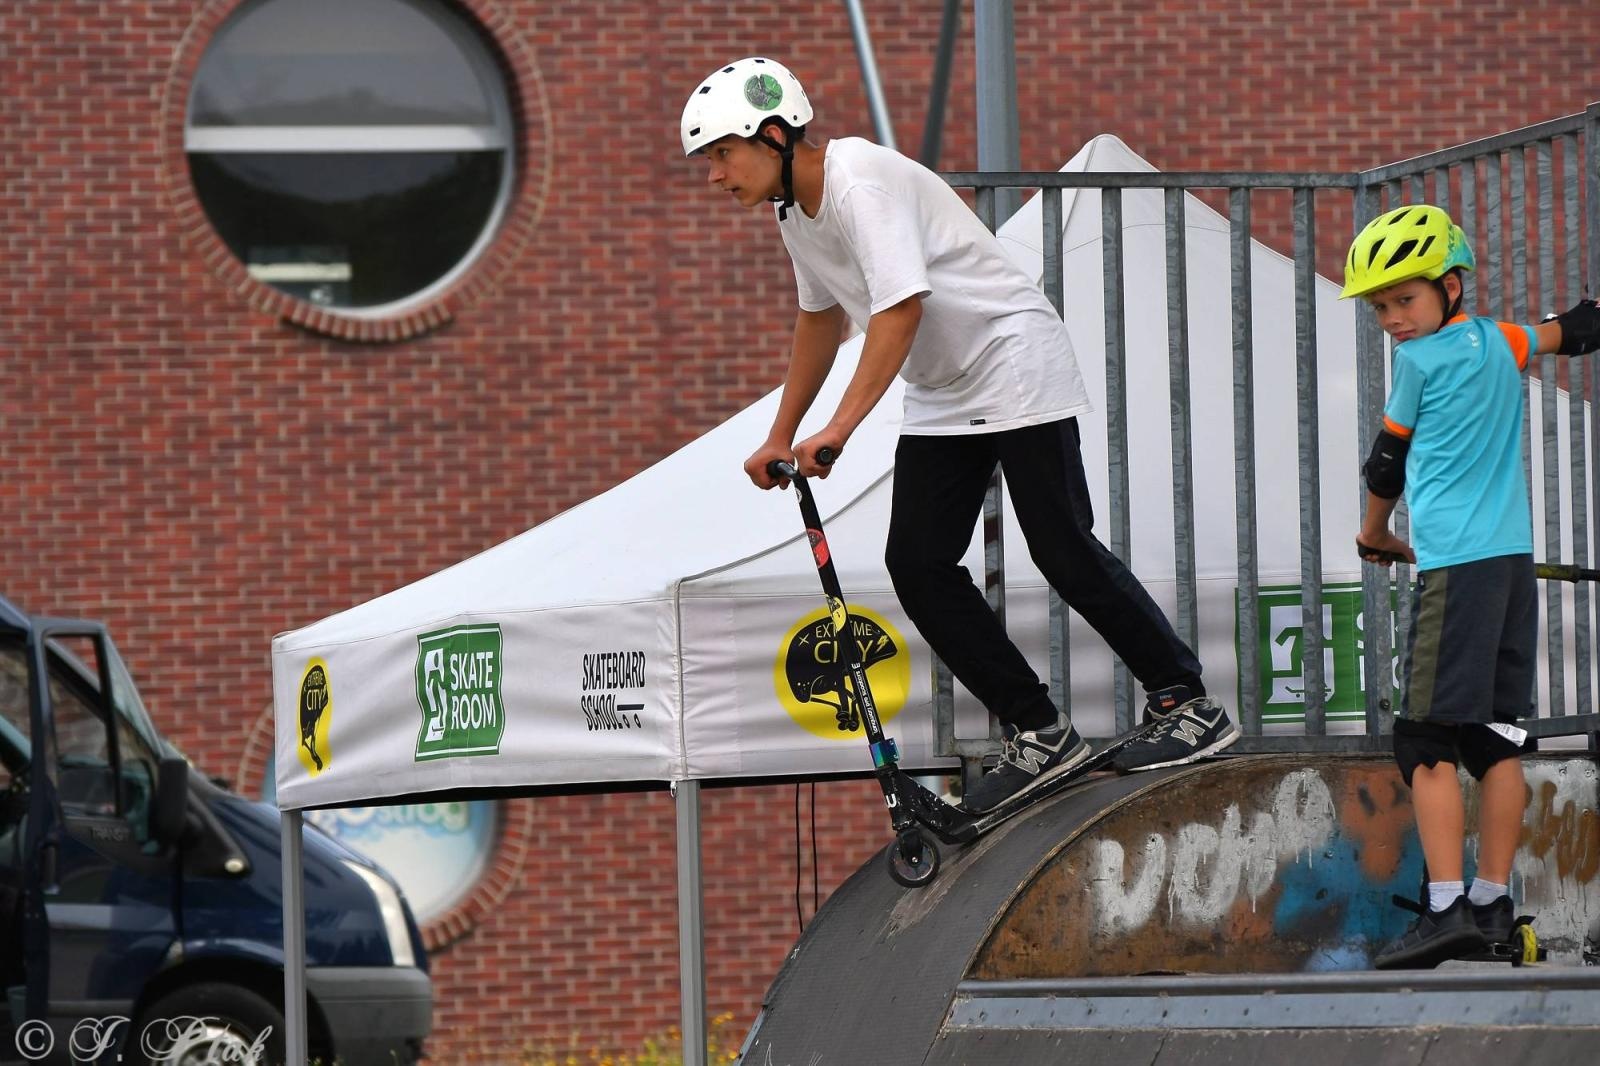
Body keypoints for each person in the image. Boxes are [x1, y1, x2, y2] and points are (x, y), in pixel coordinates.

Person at [680, 57, 1240, 815]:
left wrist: (839, 429)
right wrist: (781, 432)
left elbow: (901, 307)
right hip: (944, 386)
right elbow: (820, 318)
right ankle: (1039, 730)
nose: (714, 175)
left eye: (722, 153)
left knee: (1061, 546)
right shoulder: (795, 214)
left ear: (775, 136)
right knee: (917, 564)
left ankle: (1187, 703)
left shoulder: (856, 182)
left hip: (1010, 356)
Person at [1343, 203, 1600, 969]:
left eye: (1405, 299)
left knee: (1424, 737)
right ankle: (1491, 908)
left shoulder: (1419, 365)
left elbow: (1385, 464)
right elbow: (1572, 331)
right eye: (1381, 307)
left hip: (1455, 567)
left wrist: (1374, 534)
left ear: (1450, 286)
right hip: (1512, 566)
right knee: (1495, 736)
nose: (1393, 319)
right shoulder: (1502, 340)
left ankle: (1445, 909)